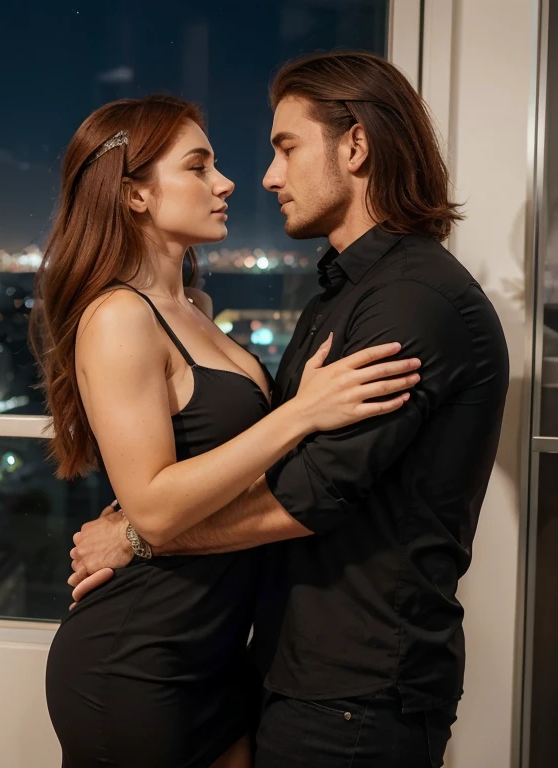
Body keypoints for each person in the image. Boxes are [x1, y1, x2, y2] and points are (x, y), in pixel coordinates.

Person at [67, 52, 510, 768]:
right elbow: (263, 458)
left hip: (352, 688)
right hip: (266, 670)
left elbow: (311, 492)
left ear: (356, 146)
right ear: (136, 194)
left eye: (286, 147)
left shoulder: (411, 302)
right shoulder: (341, 298)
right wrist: (145, 514)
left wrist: (142, 535)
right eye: (201, 166)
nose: (263, 178)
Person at [29, 93, 422, 768]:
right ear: (136, 196)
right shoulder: (119, 318)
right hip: (137, 662)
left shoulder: (195, 307)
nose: (228, 182)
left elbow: (179, 477)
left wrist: (125, 526)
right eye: (198, 166)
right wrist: (302, 412)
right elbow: (155, 507)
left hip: (217, 656)